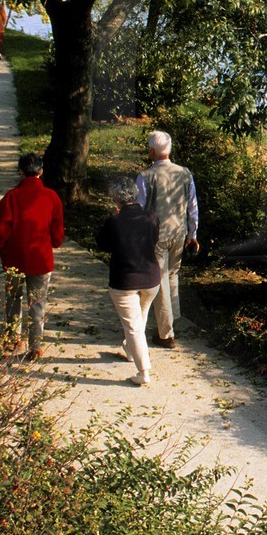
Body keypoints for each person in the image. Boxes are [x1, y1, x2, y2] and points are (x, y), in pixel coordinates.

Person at [0, 152, 65, 361]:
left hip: (14, 258)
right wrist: (53, 242)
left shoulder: (10, 197)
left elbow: (1, 231)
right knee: (38, 302)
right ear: (41, 172)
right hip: (40, 258)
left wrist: (3, 250)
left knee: (13, 298)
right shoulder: (51, 197)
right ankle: (36, 344)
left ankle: (12, 337)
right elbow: (57, 233)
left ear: (20, 171)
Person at [95, 177, 162, 385]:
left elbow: (102, 244)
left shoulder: (114, 221)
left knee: (133, 326)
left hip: (125, 281)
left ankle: (143, 372)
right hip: (151, 279)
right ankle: (131, 351)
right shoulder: (151, 217)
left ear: (115, 199)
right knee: (139, 320)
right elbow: (155, 238)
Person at [136, 130, 198, 349]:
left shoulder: (145, 176)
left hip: (157, 234)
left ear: (152, 151)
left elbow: (140, 209)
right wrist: (193, 234)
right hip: (179, 232)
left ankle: (166, 333)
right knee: (172, 276)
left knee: (160, 279)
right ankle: (173, 320)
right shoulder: (185, 173)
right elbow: (192, 207)